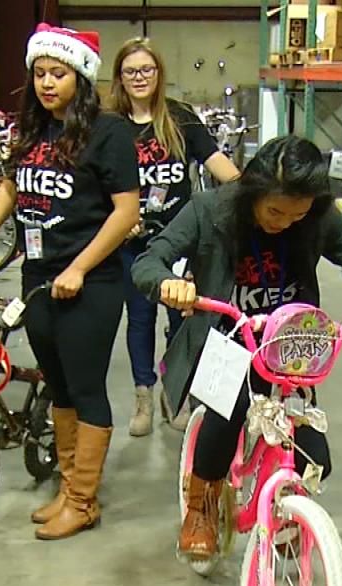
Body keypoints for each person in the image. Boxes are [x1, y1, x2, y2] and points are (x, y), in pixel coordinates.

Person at [131, 135, 342, 561]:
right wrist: (168, 283)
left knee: (314, 453)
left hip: (288, 344)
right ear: (254, 191)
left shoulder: (317, 217)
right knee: (228, 413)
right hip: (226, 336)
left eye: (298, 215)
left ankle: (288, 504)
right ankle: (201, 508)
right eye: (275, 211)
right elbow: (149, 259)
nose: (285, 223)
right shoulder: (209, 210)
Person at [0, 24, 139, 541]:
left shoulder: (109, 132)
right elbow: (11, 189)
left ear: (80, 76)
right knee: (57, 385)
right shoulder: (33, 130)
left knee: (84, 386)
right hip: (37, 276)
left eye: (58, 73)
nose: (47, 83)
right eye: (39, 73)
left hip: (91, 283)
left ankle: (83, 502)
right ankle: (67, 487)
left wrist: (80, 266)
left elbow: (126, 213)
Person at [106, 37, 240, 438]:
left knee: (183, 320)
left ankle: (173, 392)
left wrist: (249, 192)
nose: (139, 77)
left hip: (181, 241)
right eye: (130, 71)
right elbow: (97, 181)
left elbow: (216, 163)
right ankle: (143, 397)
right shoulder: (110, 124)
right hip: (132, 243)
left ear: (159, 73)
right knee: (140, 320)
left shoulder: (180, 118)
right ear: (119, 77)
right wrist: (118, 220)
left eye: (146, 70)